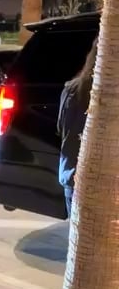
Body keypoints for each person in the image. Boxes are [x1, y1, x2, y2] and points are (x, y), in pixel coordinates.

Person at [57, 37, 97, 217]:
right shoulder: (109, 95)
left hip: (73, 176)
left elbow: (61, 128)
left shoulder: (72, 89)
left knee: (77, 231)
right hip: (106, 185)